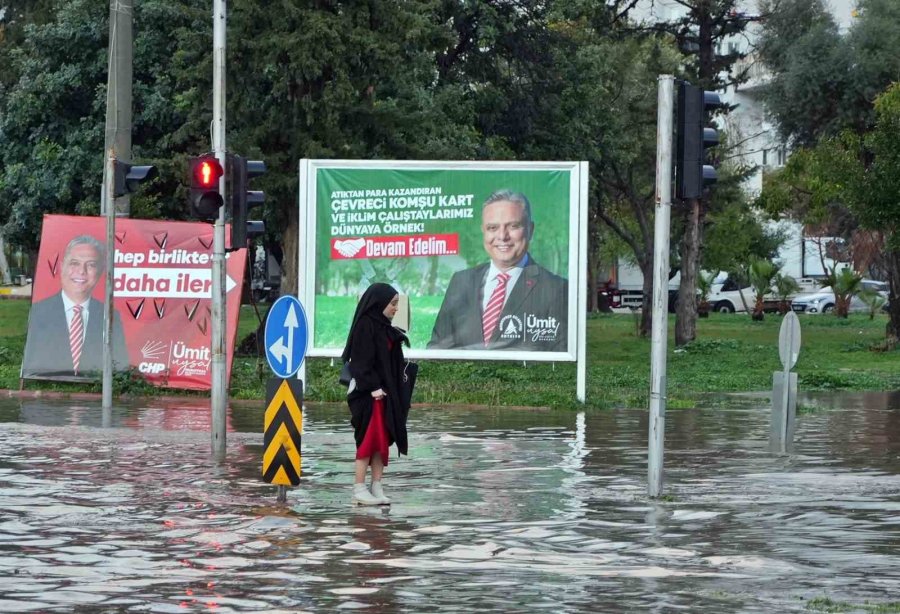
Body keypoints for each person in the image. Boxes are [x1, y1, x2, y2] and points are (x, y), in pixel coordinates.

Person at [428, 189, 568, 351]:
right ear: (483, 231)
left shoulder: (556, 289)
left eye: (513, 226)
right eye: (492, 228)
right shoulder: (461, 282)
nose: (502, 236)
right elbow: (438, 349)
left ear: (530, 229)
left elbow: (561, 356)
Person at [341, 282, 411, 506]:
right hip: (369, 396)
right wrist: (372, 387)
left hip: (385, 395)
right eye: (393, 304)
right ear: (379, 303)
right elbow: (360, 362)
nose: (396, 308)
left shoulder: (385, 327)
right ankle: (359, 488)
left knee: (382, 441)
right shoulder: (365, 325)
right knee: (368, 440)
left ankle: (376, 486)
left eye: (397, 304)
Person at [22, 235, 128, 379]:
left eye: (91, 265)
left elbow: (120, 365)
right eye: (74, 263)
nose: (82, 271)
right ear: (62, 266)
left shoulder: (110, 315)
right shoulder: (39, 312)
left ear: (100, 272)